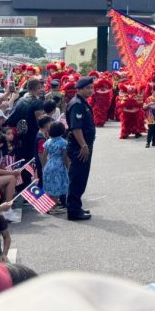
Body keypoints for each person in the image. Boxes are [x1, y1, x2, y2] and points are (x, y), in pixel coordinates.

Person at [66, 77, 97, 221]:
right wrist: (84, 145)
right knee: (77, 178)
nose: (91, 90)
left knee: (81, 177)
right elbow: (76, 127)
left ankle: (76, 206)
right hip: (79, 146)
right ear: (79, 89)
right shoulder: (77, 104)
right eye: (88, 88)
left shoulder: (82, 102)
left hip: (84, 145)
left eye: (92, 87)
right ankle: (73, 210)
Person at [41, 121, 70, 215]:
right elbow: (65, 157)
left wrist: (43, 167)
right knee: (57, 186)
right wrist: (68, 166)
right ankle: (53, 207)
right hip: (59, 165)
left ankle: (49, 205)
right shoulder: (63, 142)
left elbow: (44, 155)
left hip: (49, 164)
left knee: (50, 185)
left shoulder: (48, 142)